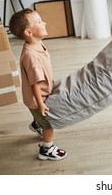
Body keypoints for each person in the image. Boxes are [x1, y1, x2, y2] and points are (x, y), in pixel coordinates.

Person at [9, 9, 67, 160]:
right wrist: (40, 104)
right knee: (48, 124)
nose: (44, 22)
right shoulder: (31, 57)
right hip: (37, 99)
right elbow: (35, 84)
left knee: (40, 119)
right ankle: (46, 149)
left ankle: (36, 124)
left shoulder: (36, 44)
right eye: (39, 22)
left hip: (41, 93)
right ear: (29, 32)